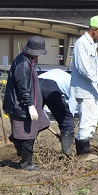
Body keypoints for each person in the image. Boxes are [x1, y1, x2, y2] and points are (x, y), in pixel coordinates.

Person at [3, 36, 50, 171]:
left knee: (30, 132)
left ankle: (17, 142)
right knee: (27, 136)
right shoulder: (23, 63)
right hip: (22, 106)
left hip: (26, 105)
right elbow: (22, 87)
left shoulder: (28, 60)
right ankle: (27, 163)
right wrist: (30, 105)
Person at [70, 15, 98, 156]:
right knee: (87, 122)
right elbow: (84, 68)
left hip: (90, 90)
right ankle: (83, 155)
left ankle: (85, 151)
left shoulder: (92, 44)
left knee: (91, 122)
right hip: (84, 90)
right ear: (96, 29)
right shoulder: (82, 44)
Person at [38, 69, 77, 157]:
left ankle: (21, 146)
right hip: (50, 86)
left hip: (35, 84)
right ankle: (67, 154)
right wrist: (69, 125)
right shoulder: (74, 83)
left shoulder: (62, 75)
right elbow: (72, 104)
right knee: (67, 120)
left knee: (33, 119)